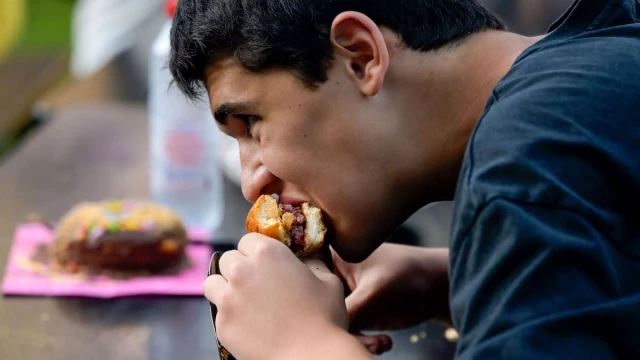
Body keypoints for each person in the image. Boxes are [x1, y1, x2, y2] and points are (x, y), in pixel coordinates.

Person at [169, 0, 640, 358]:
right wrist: (459, 280)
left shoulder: (531, 160)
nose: (254, 184)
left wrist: (301, 343)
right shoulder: (603, 61)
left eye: (250, 122)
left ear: (360, 56)